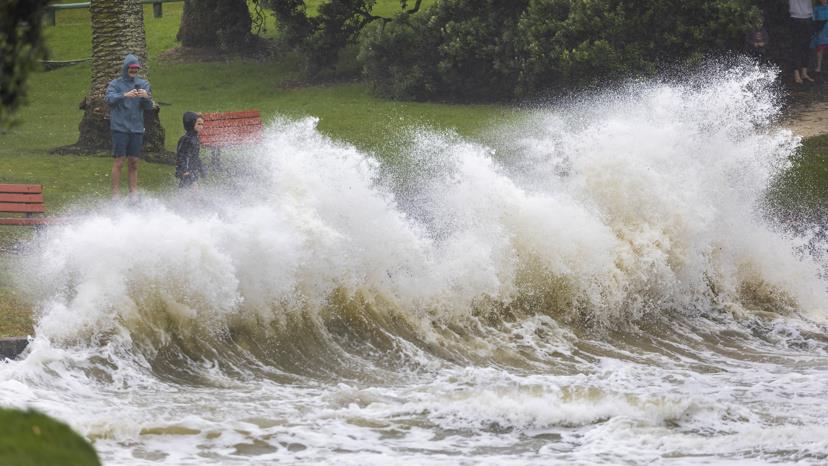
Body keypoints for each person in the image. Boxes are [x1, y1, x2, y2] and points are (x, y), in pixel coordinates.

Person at [105, 54, 153, 199]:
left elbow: (148, 107)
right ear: (125, 68)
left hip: (137, 128)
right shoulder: (115, 83)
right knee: (119, 160)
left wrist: (146, 97)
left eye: (136, 68)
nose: (134, 71)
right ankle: (116, 195)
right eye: (131, 68)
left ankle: (133, 194)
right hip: (120, 128)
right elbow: (109, 99)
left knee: (134, 161)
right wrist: (125, 95)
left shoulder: (144, 84)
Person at [175, 112, 206, 189]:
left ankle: (180, 200)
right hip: (187, 171)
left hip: (192, 170)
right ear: (191, 123)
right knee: (192, 191)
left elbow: (195, 156)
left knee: (188, 191)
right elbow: (181, 155)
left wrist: (201, 167)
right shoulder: (186, 139)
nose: (201, 126)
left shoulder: (196, 139)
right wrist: (184, 170)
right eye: (199, 124)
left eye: (202, 124)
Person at [789, 0, 815, 84]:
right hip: (796, 18)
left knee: (806, 47)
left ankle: (804, 73)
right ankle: (796, 74)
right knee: (796, 47)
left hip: (808, 18)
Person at [813, 0, 828, 74]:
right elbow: (814, 19)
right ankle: (819, 66)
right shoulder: (816, 8)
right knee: (820, 49)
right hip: (821, 31)